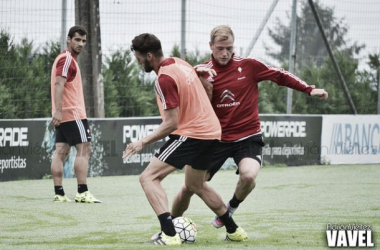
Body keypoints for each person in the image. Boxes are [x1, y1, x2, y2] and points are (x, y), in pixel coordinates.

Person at [171, 25, 328, 228]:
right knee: (189, 187)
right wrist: (192, 79)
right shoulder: (200, 72)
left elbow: (280, 75)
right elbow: (179, 97)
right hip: (214, 139)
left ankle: (230, 208)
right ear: (211, 46)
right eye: (220, 48)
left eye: (229, 48)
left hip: (247, 136)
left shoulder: (249, 66)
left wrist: (309, 89)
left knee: (248, 176)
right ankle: (168, 227)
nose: (225, 53)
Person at [123, 33, 247, 245]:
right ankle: (234, 230)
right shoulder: (180, 63)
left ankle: (169, 235)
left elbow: (172, 124)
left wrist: (141, 142)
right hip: (212, 132)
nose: (139, 62)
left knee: (148, 178)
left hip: (193, 134)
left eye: (139, 58)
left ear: (149, 56)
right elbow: (203, 84)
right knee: (195, 185)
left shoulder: (164, 79)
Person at [50, 25, 101, 203]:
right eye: (77, 39)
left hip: (64, 115)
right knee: (84, 149)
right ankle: (82, 191)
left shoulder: (65, 59)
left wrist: (57, 112)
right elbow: (58, 84)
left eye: (84, 41)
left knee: (60, 153)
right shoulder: (67, 59)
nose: (81, 44)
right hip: (73, 114)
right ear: (68, 39)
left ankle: (59, 193)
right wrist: (57, 111)